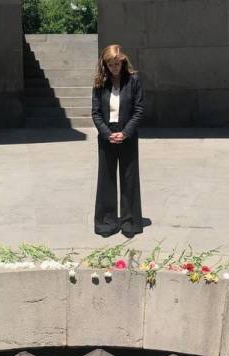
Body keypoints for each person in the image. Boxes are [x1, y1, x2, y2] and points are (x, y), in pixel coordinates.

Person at [91, 44, 145, 238]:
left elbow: (139, 110)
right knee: (106, 179)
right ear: (105, 64)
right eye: (110, 64)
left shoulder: (133, 80)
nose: (114, 68)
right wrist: (107, 133)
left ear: (123, 62)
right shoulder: (100, 83)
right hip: (107, 136)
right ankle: (107, 221)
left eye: (117, 64)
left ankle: (130, 222)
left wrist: (126, 132)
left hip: (127, 135)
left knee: (129, 178)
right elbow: (96, 113)